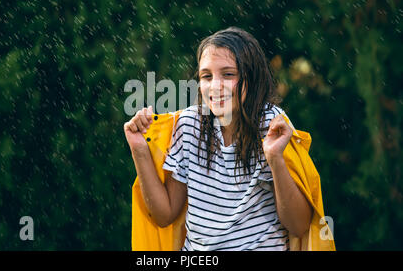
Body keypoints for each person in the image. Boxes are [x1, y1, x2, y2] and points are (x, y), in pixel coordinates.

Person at [124, 27, 313, 251]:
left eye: (228, 74)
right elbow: (164, 214)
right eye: (206, 76)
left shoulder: (272, 125)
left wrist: (275, 158)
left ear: (251, 78)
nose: (215, 85)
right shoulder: (188, 126)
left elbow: (299, 225)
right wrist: (139, 149)